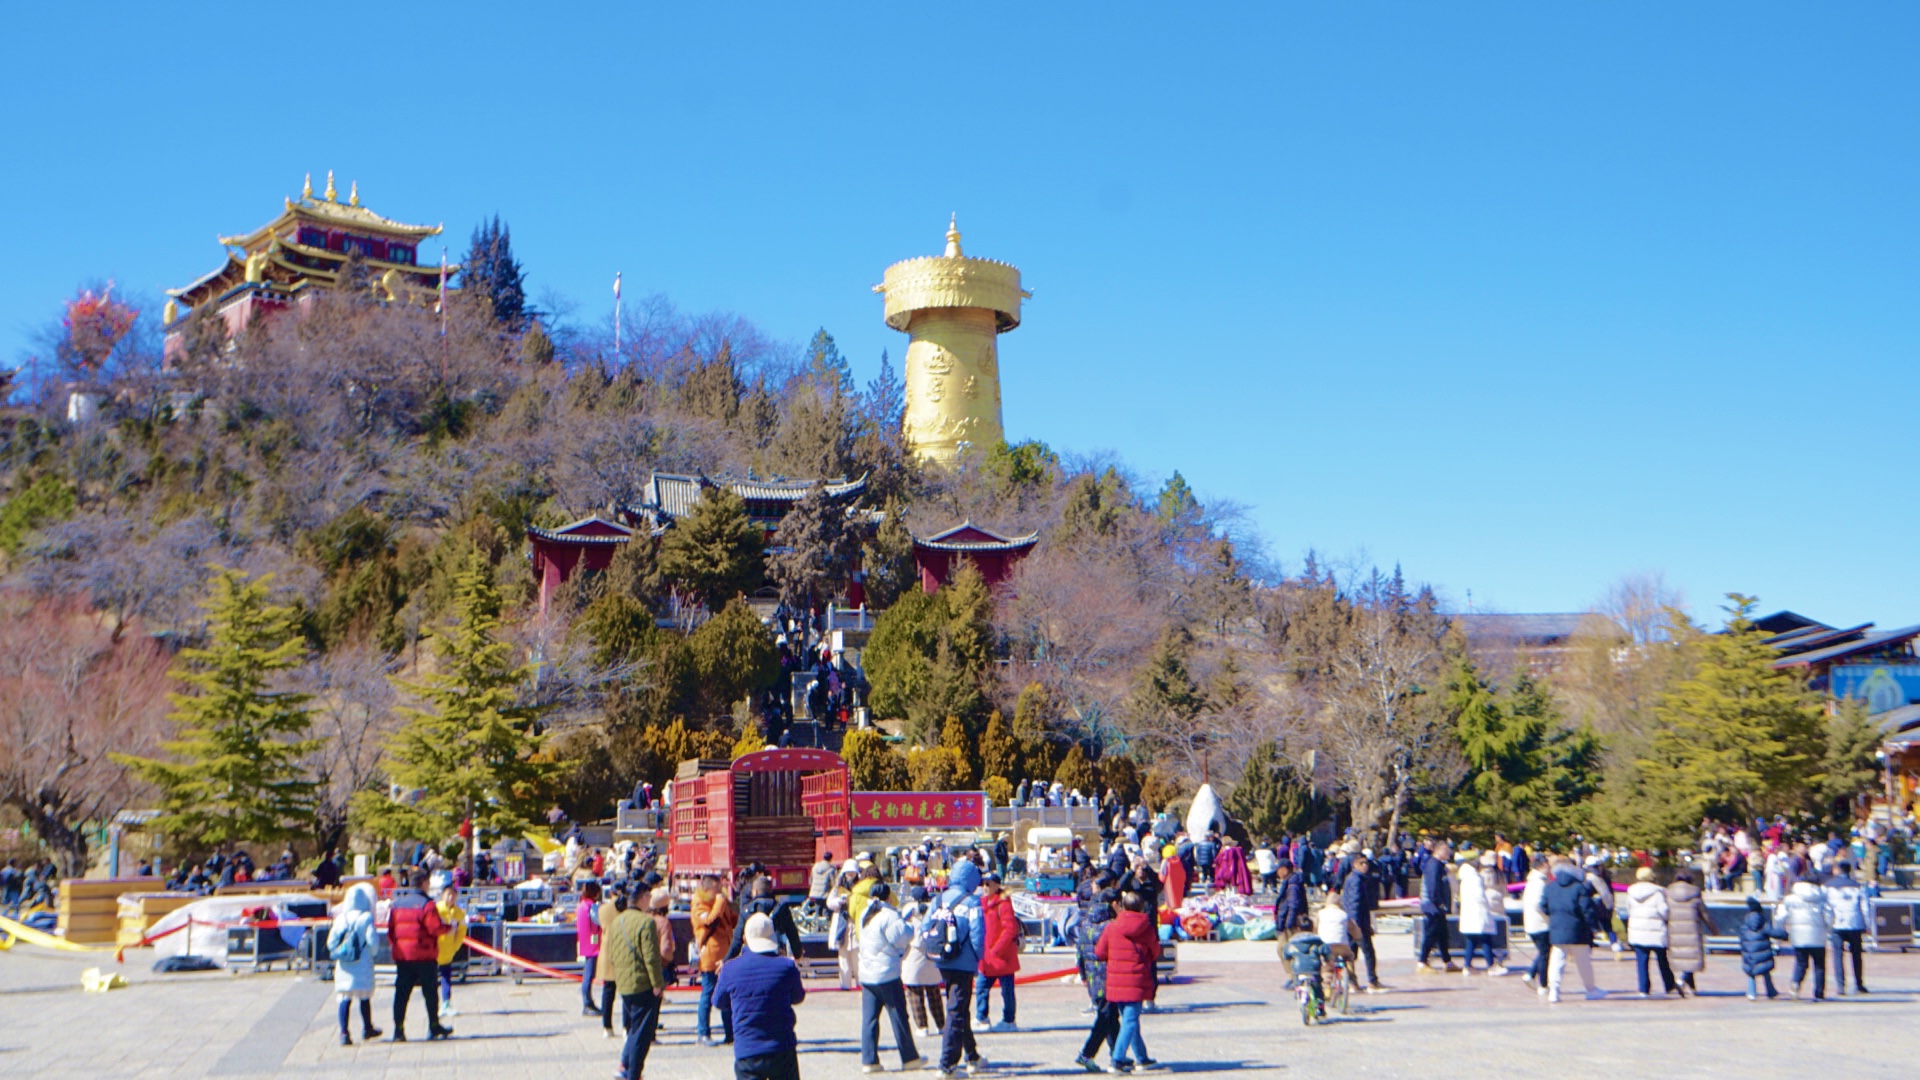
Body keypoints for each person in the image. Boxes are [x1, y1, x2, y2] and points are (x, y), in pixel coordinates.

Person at [716, 913, 807, 1080]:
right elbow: (798, 997)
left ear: (745, 939)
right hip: (782, 1046)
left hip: (747, 1048)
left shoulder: (730, 969)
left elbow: (719, 1002)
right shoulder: (787, 966)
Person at [857, 883, 924, 1073]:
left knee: (869, 1019)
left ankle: (869, 1060)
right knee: (898, 1016)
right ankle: (909, 1058)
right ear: (888, 897)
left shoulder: (865, 914)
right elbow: (902, 938)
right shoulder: (889, 915)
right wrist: (908, 924)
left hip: (867, 973)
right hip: (887, 973)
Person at [934, 860, 989, 1077]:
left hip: (943, 959)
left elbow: (927, 926)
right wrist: (978, 958)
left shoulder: (939, 899)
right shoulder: (973, 903)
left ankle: (972, 1055)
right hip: (964, 962)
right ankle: (947, 1064)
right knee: (956, 1011)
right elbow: (977, 934)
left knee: (959, 1007)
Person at [1096, 891, 1161, 1073]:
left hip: (1116, 980)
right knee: (1130, 1021)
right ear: (1142, 907)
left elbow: (1100, 952)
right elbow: (1155, 952)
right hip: (1136, 980)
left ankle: (1142, 1057)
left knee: (1129, 1019)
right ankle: (1116, 1060)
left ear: (1123, 906)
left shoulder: (1112, 927)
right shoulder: (1147, 928)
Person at [608, 884, 666, 1080]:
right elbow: (651, 957)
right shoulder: (645, 922)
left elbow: (612, 952)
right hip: (642, 983)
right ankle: (634, 1073)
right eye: (648, 896)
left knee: (634, 1028)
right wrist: (657, 984)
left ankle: (624, 1066)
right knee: (642, 1034)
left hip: (624, 983)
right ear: (642, 898)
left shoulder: (617, 921)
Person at [387, 868, 452, 1041]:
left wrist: (397, 947)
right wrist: (448, 928)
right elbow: (434, 928)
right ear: (424, 883)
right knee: (430, 993)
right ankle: (433, 1026)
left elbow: (391, 931)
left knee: (401, 994)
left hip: (404, 957)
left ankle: (398, 1030)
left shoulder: (397, 904)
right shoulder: (427, 905)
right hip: (425, 956)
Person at [1538, 857, 1605, 1003]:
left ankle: (1554, 991)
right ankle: (1590, 990)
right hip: (1578, 930)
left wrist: (1554, 916)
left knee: (1556, 962)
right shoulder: (1579, 887)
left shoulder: (1550, 887)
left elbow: (1542, 906)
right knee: (1583, 963)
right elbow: (1587, 909)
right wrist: (1593, 926)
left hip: (1557, 929)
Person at [326, 883, 384, 1046]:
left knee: (344, 998)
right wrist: (372, 954)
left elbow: (330, 943)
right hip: (362, 963)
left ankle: (344, 1033)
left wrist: (342, 950)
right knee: (364, 997)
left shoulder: (340, 919)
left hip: (344, 964)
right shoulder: (366, 918)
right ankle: (367, 1028)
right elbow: (373, 942)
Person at [692, 875, 738, 1047]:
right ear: (706, 889)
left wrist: (734, 905)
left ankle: (730, 1033)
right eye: (716, 889)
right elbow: (708, 920)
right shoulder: (699, 904)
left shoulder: (721, 902)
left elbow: (732, 920)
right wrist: (720, 902)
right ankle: (703, 1033)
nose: (719, 893)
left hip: (725, 955)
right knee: (708, 994)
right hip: (710, 956)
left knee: (727, 995)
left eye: (720, 889)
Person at [1623, 867, 1678, 997]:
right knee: (1662, 960)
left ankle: (1644, 989)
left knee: (1642, 962)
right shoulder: (1657, 892)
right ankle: (1669, 986)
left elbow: (1628, 909)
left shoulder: (1631, 892)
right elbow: (1664, 910)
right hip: (1656, 930)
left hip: (1637, 931)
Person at [975, 872, 1020, 1031]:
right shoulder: (981, 903)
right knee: (981, 988)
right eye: (983, 884)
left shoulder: (1003, 904)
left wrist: (997, 949)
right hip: (987, 957)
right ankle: (982, 1018)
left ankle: (1009, 1021)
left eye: (988, 884)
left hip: (1002, 956)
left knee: (1007, 991)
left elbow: (1010, 929)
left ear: (997, 885)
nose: (985, 887)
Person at [902, 885, 948, 1038]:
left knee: (915, 992)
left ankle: (922, 1026)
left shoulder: (909, 910)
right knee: (934, 992)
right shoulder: (935, 909)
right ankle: (941, 1024)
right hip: (932, 952)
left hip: (914, 954)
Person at [1777, 878, 1832, 1001]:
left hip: (1798, 935)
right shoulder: (1821, 898)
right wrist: (1828, 928)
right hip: (1818, 935)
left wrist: (1782, 930)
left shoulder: (1790, 899)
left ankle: (1796, 983)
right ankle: (1819, 992)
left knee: (1801, 962)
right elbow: (1829, 916)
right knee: (1819, 965)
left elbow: (1780, 916)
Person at [1339, 852, 1385, 992]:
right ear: (1354, 865)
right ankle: (1372, 981)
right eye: (1361, 863)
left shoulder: (1356, 878)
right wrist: (1356, 926)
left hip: (1353, 922)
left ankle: (1353, 982)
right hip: (1358, 924)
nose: (1365, 866)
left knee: (1351, 954)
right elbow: (1355, 903)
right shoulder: (1357, 880)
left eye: (1366, 863)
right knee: (1368, 953)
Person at [1824, 861, 1870, 994]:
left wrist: (1828, 924)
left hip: (1837, 923)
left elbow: (1827, 908)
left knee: (1838, 955)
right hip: (1855, 923)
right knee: (1857, 955)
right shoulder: (1858, 886)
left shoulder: (1828, 886)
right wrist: (1867, 924)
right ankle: (1859, 983)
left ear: (1837, 870)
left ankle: (1840, 985)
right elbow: (1865, 908)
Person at [1666, 869, 1709, 996]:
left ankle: (1692, 987)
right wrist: (1714, 929)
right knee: (1691, 958)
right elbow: (1704, 913)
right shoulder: (1695, 893)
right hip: (1692, 930)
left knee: (1686, 959)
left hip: (1674, 930)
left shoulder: (1668, 893)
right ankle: (1681, 981)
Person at [1416, 842, 1457, 973]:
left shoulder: (1440, 865)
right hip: (1433, 906)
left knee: (1442, 934)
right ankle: (1422, 962)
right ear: (1438, 850)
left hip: (1437, 906)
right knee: (1431, 933)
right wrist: (1438, 903)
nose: (1448, 853)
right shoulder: (1433, 864)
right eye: (1446, 850)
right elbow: (1432, 886)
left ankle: (1447, 961)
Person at [1456, 852, 1498, 976]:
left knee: (1471, 940)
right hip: (1478, 912)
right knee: (1486, 938)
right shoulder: (1474, 877)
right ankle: (1491, 966)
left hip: (1469, 912)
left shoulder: (1465, 876)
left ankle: (1467, 966)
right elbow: (1480, 896)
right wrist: (1488, 905)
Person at [1737, 896, 1783, 1001]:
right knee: (1766, 972)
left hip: (1749, 954)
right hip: (1763, 953)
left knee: (1751, 973)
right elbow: (1773, 932)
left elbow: (1741, 937)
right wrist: (1785, 935)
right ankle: (1770, 991)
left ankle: (1751, 993)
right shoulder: (1763, 924)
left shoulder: (1745, 925)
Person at [434, 881, 468, 1019]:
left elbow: (461, 931)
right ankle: (433, 1005)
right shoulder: (436, 910)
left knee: (446, 978)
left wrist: (455, 947)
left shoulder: (459, 913)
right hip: (433, 951)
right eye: (448, 894)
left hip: (448, 951)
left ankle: (446, 1003)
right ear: (442, 895)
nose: (451, 897)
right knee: (431, 980)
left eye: (453, 895)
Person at [1520, 861, 1552, 991]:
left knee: (1543, 952)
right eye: (1548, 866)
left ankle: (1531, 974)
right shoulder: (1539, 883)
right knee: (1545, 954)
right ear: (1541, 867)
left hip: (1533, 923)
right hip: (1540, 924)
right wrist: (1549, 915)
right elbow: (1539, 904)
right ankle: (1543, 984)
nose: (1550, 869)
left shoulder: (1532, 881)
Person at [578, 881, 607, 1018]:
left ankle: (588, 1002)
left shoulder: (582, 905)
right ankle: (587, 1003)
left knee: (588, 974)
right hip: (593, 944)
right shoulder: (592, 907)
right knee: (589, 975)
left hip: (585, 942)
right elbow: (600, 921)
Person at [1270, 860, 1310, 950]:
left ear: (1284, 870)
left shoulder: (1293, 885)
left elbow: (1293, 906)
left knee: (1286, 949)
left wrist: (1288, 926)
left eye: (1278, 870)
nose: (1277, 873)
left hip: (1291, 925)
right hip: (1287, 922)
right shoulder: (1289, 882)